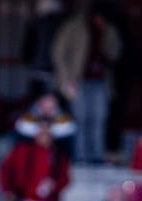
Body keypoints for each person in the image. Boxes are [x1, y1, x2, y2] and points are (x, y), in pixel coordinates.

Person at [52, 2, 121, 165]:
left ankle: (96, 156)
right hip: (78, 80)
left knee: (99, 118)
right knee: (80, 119)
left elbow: (115, 52)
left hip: (101, 80)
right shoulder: (73, 28)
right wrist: (66, 79)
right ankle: (81, 156)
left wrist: (106, 32)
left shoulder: (107, 29)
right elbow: (59, 54)